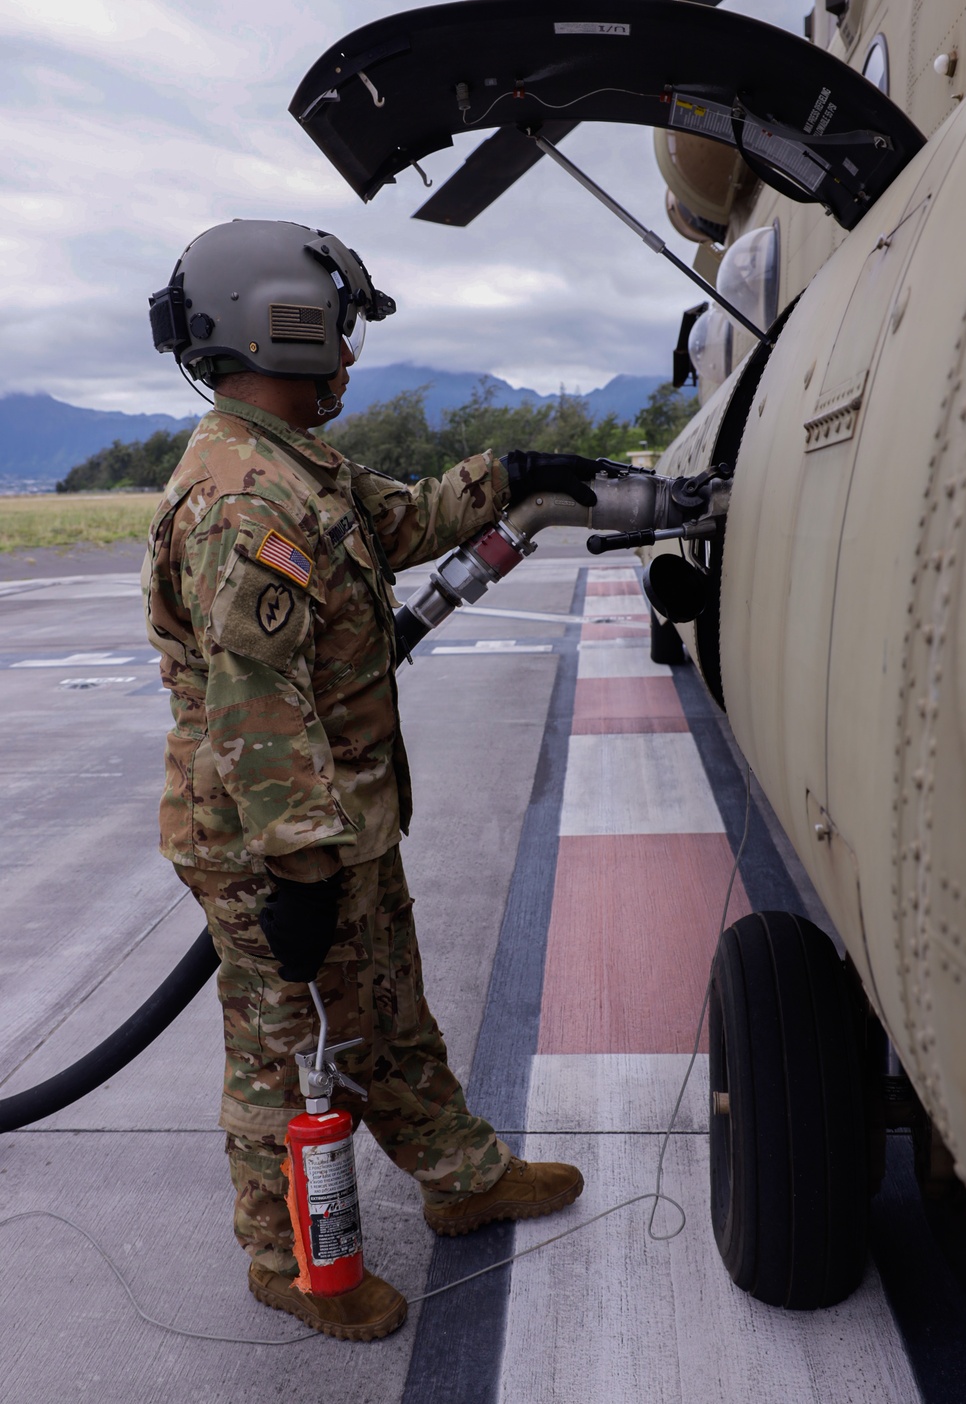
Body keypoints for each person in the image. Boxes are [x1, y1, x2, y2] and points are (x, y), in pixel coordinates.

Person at [143, 219, 597, 1341]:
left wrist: (509, 477)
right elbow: (257, 703)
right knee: (282, 1055)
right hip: (273, 844)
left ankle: (460, 1174)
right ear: (277, 326)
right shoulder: (243, 500)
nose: (348, 355)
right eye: (337, 330)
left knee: (386, 1015)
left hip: (341, 822)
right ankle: (291, 1263)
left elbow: (402, 523)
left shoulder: (298, 461)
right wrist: (298, 864)